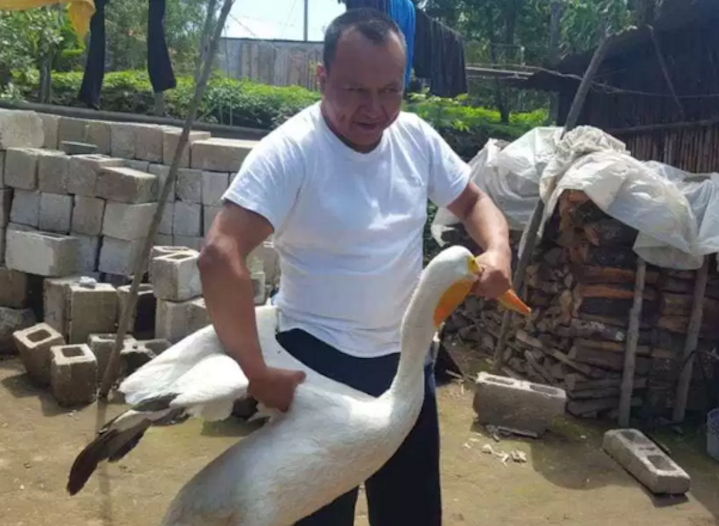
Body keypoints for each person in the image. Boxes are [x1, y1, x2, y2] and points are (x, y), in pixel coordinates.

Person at [197, 8, 512, 526]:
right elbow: (220, 253)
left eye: (390, 90)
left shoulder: (415, 139)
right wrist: (256, 373)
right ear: (321, 79)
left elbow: (475, 201)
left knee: (411, 516)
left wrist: (497, 250)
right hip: (319, 371)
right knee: (318, 519)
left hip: (405, 367)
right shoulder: (290, 152)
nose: (375, 109)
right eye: (355, 90)